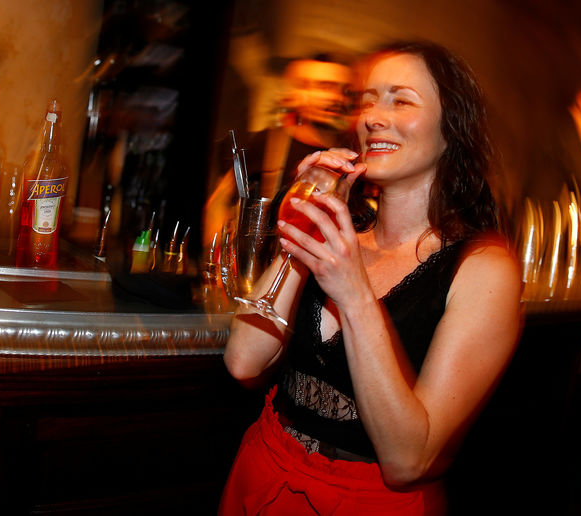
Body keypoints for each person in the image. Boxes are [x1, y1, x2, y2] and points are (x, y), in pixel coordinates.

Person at [218, 40, 523, 515]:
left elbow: (409, 460)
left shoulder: (484, 269)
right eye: (367, 100)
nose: (373, 117)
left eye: (400, 100)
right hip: (265, 472)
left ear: (451, 129)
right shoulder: (343, 235)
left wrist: (354, 292)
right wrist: (312, 215)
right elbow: (243, 361)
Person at [202, 55, 353, 247]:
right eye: (324, 87)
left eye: (344, 90)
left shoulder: (351, 155)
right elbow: (219, 204)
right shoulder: (264, 143)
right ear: (295, 93)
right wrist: (216, 258)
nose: (335, 97)